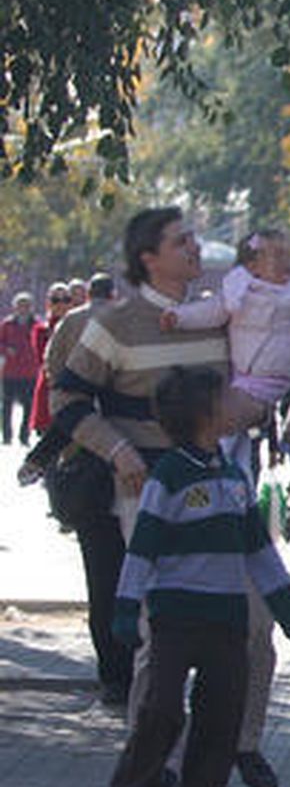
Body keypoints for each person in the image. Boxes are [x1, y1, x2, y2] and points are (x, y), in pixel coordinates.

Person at [54, 209, 285, 787]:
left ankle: (244, 744)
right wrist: (116, 451)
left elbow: (248, 385)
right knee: (162, 629)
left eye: (193, 239)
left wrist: (255, 406)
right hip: (148, 489)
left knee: (256, 622)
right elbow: (69, 400)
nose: (193, 248)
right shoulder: (116, 322)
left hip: (220, 487)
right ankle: (151, 760)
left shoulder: (219, 315)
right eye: (180, 241)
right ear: (148, 257)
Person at [101, 366, 290, 787]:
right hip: (175, 622)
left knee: (220, 724)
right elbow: (142, 550)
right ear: (203, 414)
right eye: (225, 399)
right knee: (161, 714)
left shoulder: (234, 478)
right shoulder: (169, 478)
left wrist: (288, 610)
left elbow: (259, 551)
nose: (234, 405)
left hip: (226, 624)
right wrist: (127, 610)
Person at [17, 274, 131, 703]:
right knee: (130, 577)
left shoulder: (70, 329)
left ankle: (115, 677)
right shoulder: (128, 329)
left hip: (88, 471)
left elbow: (66, 405)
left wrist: (40, 458)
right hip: (128, 474)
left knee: (102, 582)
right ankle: (134, 670)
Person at [161, 229, 290, 433]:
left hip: (276, 377)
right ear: (252, 266)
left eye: (288, 255)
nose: (286, 262)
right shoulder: (238, 294)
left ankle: (233, 451)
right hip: (242, 375)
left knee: (232, 415)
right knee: (233, 424)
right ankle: (236, 458)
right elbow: (211, 311)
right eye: (277, 256)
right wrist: (180, 317)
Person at [27, 282, 72, 440]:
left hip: (73, 390)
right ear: (48, 303)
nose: (61, 304)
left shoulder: (78, 326)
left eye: (66, 299)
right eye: (55, 300)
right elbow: (43, 359)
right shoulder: (41, 330)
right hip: (49, 388)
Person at [1, 290, 40, 445]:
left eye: (26, 305)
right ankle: (6, 436)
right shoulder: (7, 324)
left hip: (30, 372)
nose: (23, 308)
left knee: (29, 406)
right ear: (14, 307)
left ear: (31, 307)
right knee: (6, 405)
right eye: (20, 305)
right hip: (10, 371)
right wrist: (6, 350)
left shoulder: (37, 324)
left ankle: (24, 436)